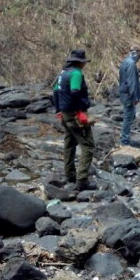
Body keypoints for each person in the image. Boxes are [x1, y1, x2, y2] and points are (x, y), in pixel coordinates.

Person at [53, 49, 96, 191]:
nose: (84, 65)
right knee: (88, 145)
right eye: (84, 62)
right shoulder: (76, 73)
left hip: (65, 113)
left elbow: (55, 92)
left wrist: (58, 110)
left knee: (69, 143)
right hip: (74, 113)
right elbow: (75, 91)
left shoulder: (63, 73)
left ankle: (69, 175)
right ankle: (82, 180)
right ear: (79, 62)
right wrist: (83, 107)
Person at [118, 45, 140, 146]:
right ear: (136, 53)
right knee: (128, 117)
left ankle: (125, 137)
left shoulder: (125, 61)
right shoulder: (131, 64)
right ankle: (124, 141)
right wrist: (135, 97)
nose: (139, 58)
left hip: (123, 93)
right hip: (128, 95)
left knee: (130, 116)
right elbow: (131, 82)